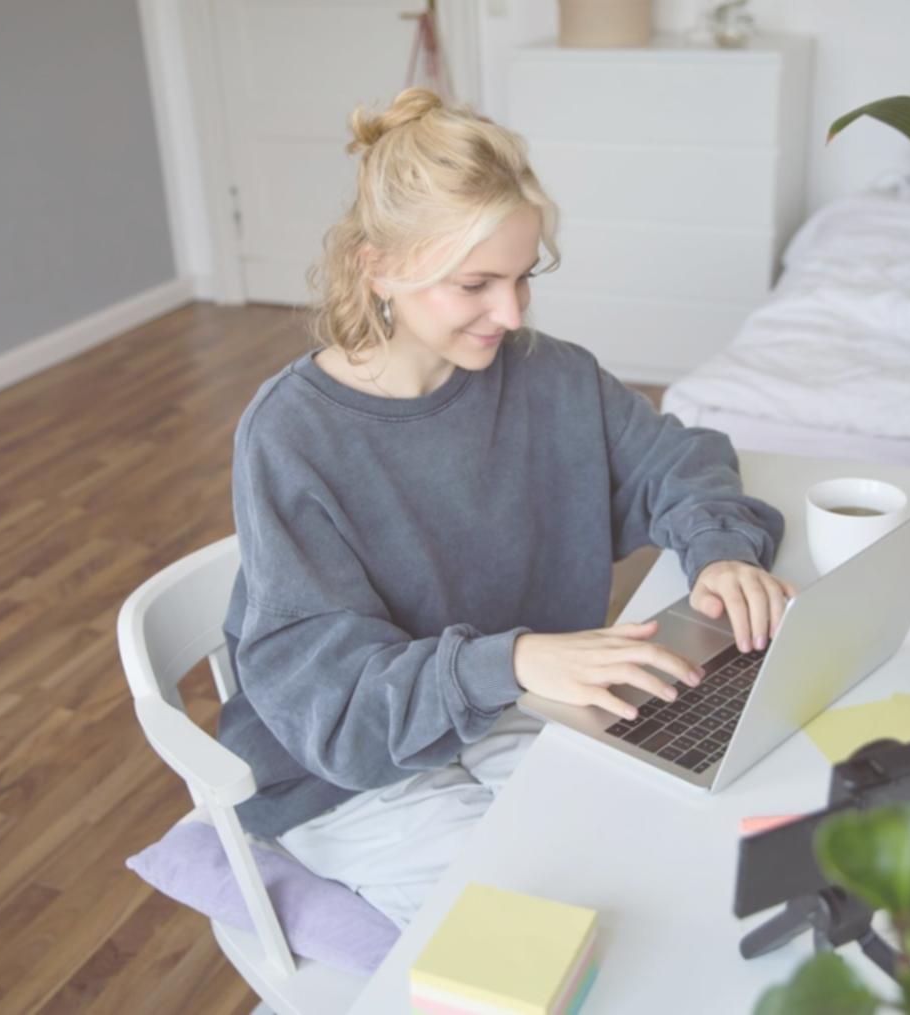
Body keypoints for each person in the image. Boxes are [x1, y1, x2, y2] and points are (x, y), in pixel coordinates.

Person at [219, 87, 792, 929]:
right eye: (476, 284)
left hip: (508, 707)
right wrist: (515, 661)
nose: (511, 313)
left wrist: (721, 550)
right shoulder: (293, 434)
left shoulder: (549, 376)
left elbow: (679, 460)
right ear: (378, 266)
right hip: (347, 774)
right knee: (537, 920)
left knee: (660, 860)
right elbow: (332, 706)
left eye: (524, 278)